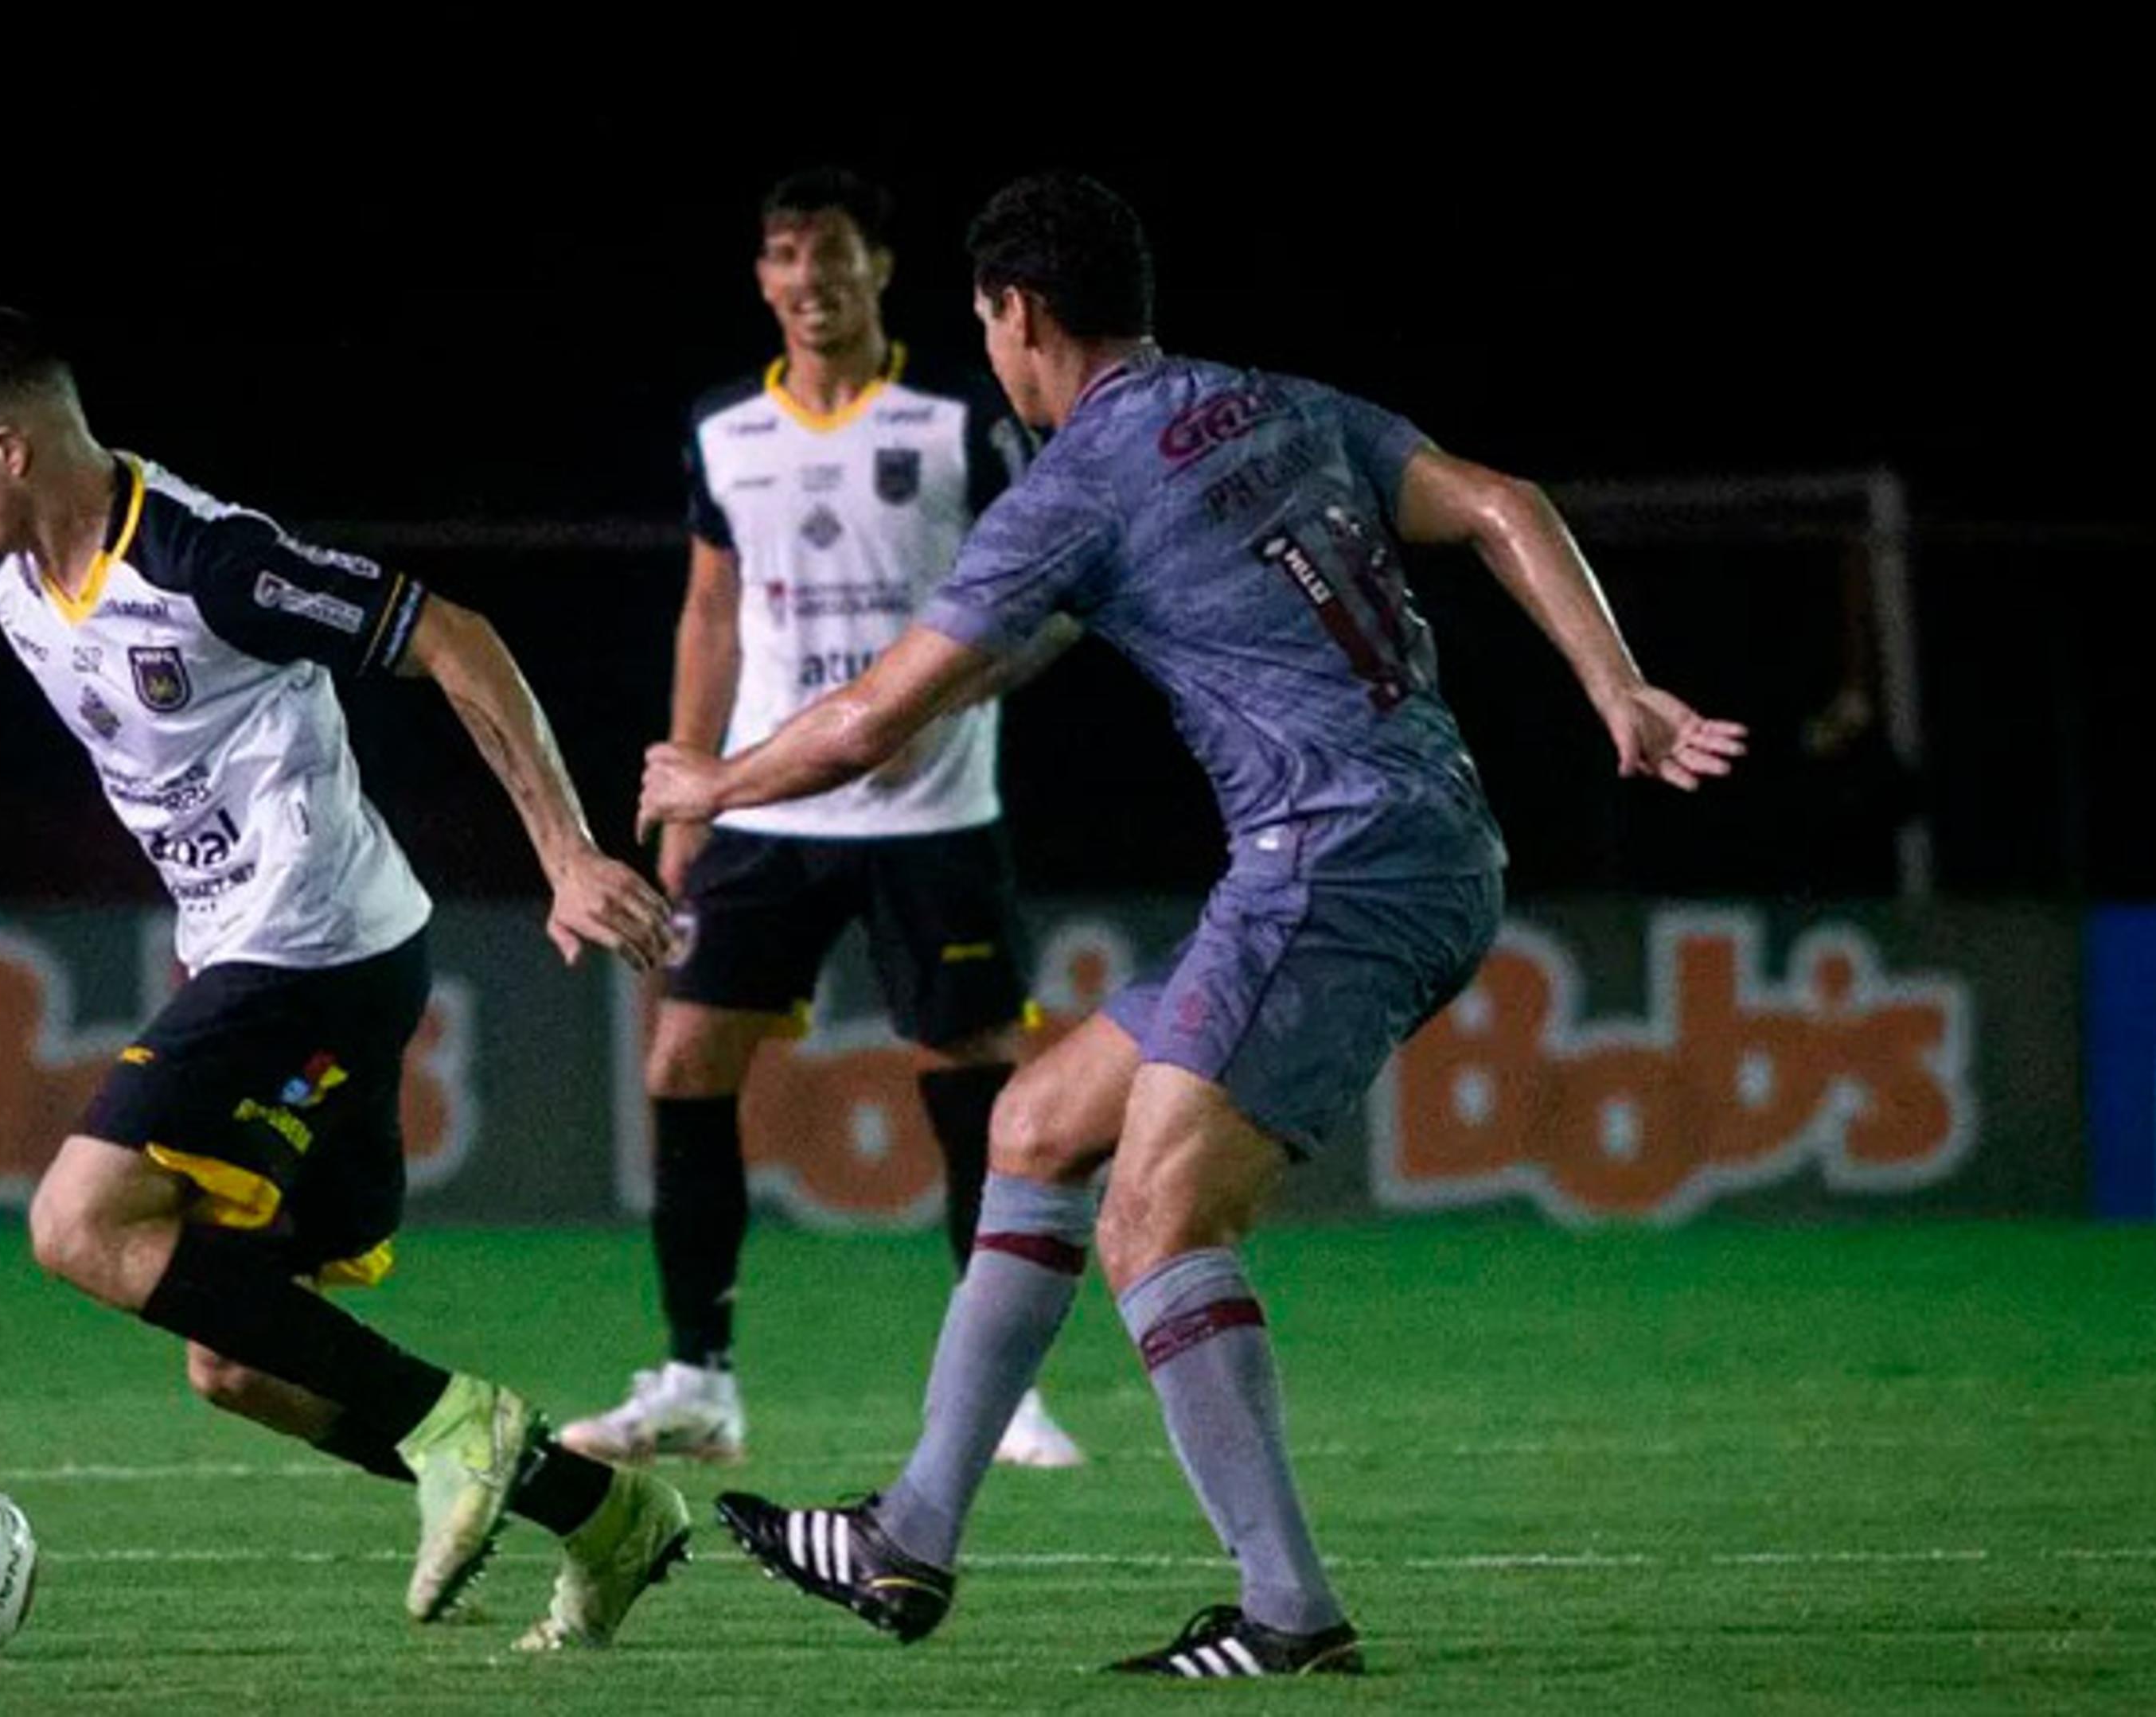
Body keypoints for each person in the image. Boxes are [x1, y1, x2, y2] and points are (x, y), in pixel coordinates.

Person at [644, 174, 1745, 1677]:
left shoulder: (1076, 482)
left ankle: (1287, 1610)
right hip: (1414, 841)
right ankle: (911, 1531)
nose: (999, 360)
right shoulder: (1272, 403)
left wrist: (713, 776)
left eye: (994, 329)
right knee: (1034, 1120)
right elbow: (1505, 503)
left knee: (1159, 1218)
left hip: (1330, 864)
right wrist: (1617, 687)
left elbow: (858, 727)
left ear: (1019, 315)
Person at [0, 307, 691, 1652]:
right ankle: (607, 1515)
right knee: (240, 1362)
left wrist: (564, 851)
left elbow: (452, 633)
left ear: (10, 445)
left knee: (77, 1220)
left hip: (314, 942)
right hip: (291, 955)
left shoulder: (208, 559)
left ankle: (462, 1426)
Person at [563, 167, 1081, 1472]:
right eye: (786, 254)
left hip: (936, 810)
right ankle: (696, 1379)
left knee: (974, 1087)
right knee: (684, 1061)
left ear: (879, 269)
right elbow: (711, 609)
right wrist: (684, 798)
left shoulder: (961, 413)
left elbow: (1061, 587)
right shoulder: (726, 427)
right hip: (769, 803)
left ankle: (1001, 1390)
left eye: (833, 254)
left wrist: (964, 683)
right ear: (763, 276)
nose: (810, 279)